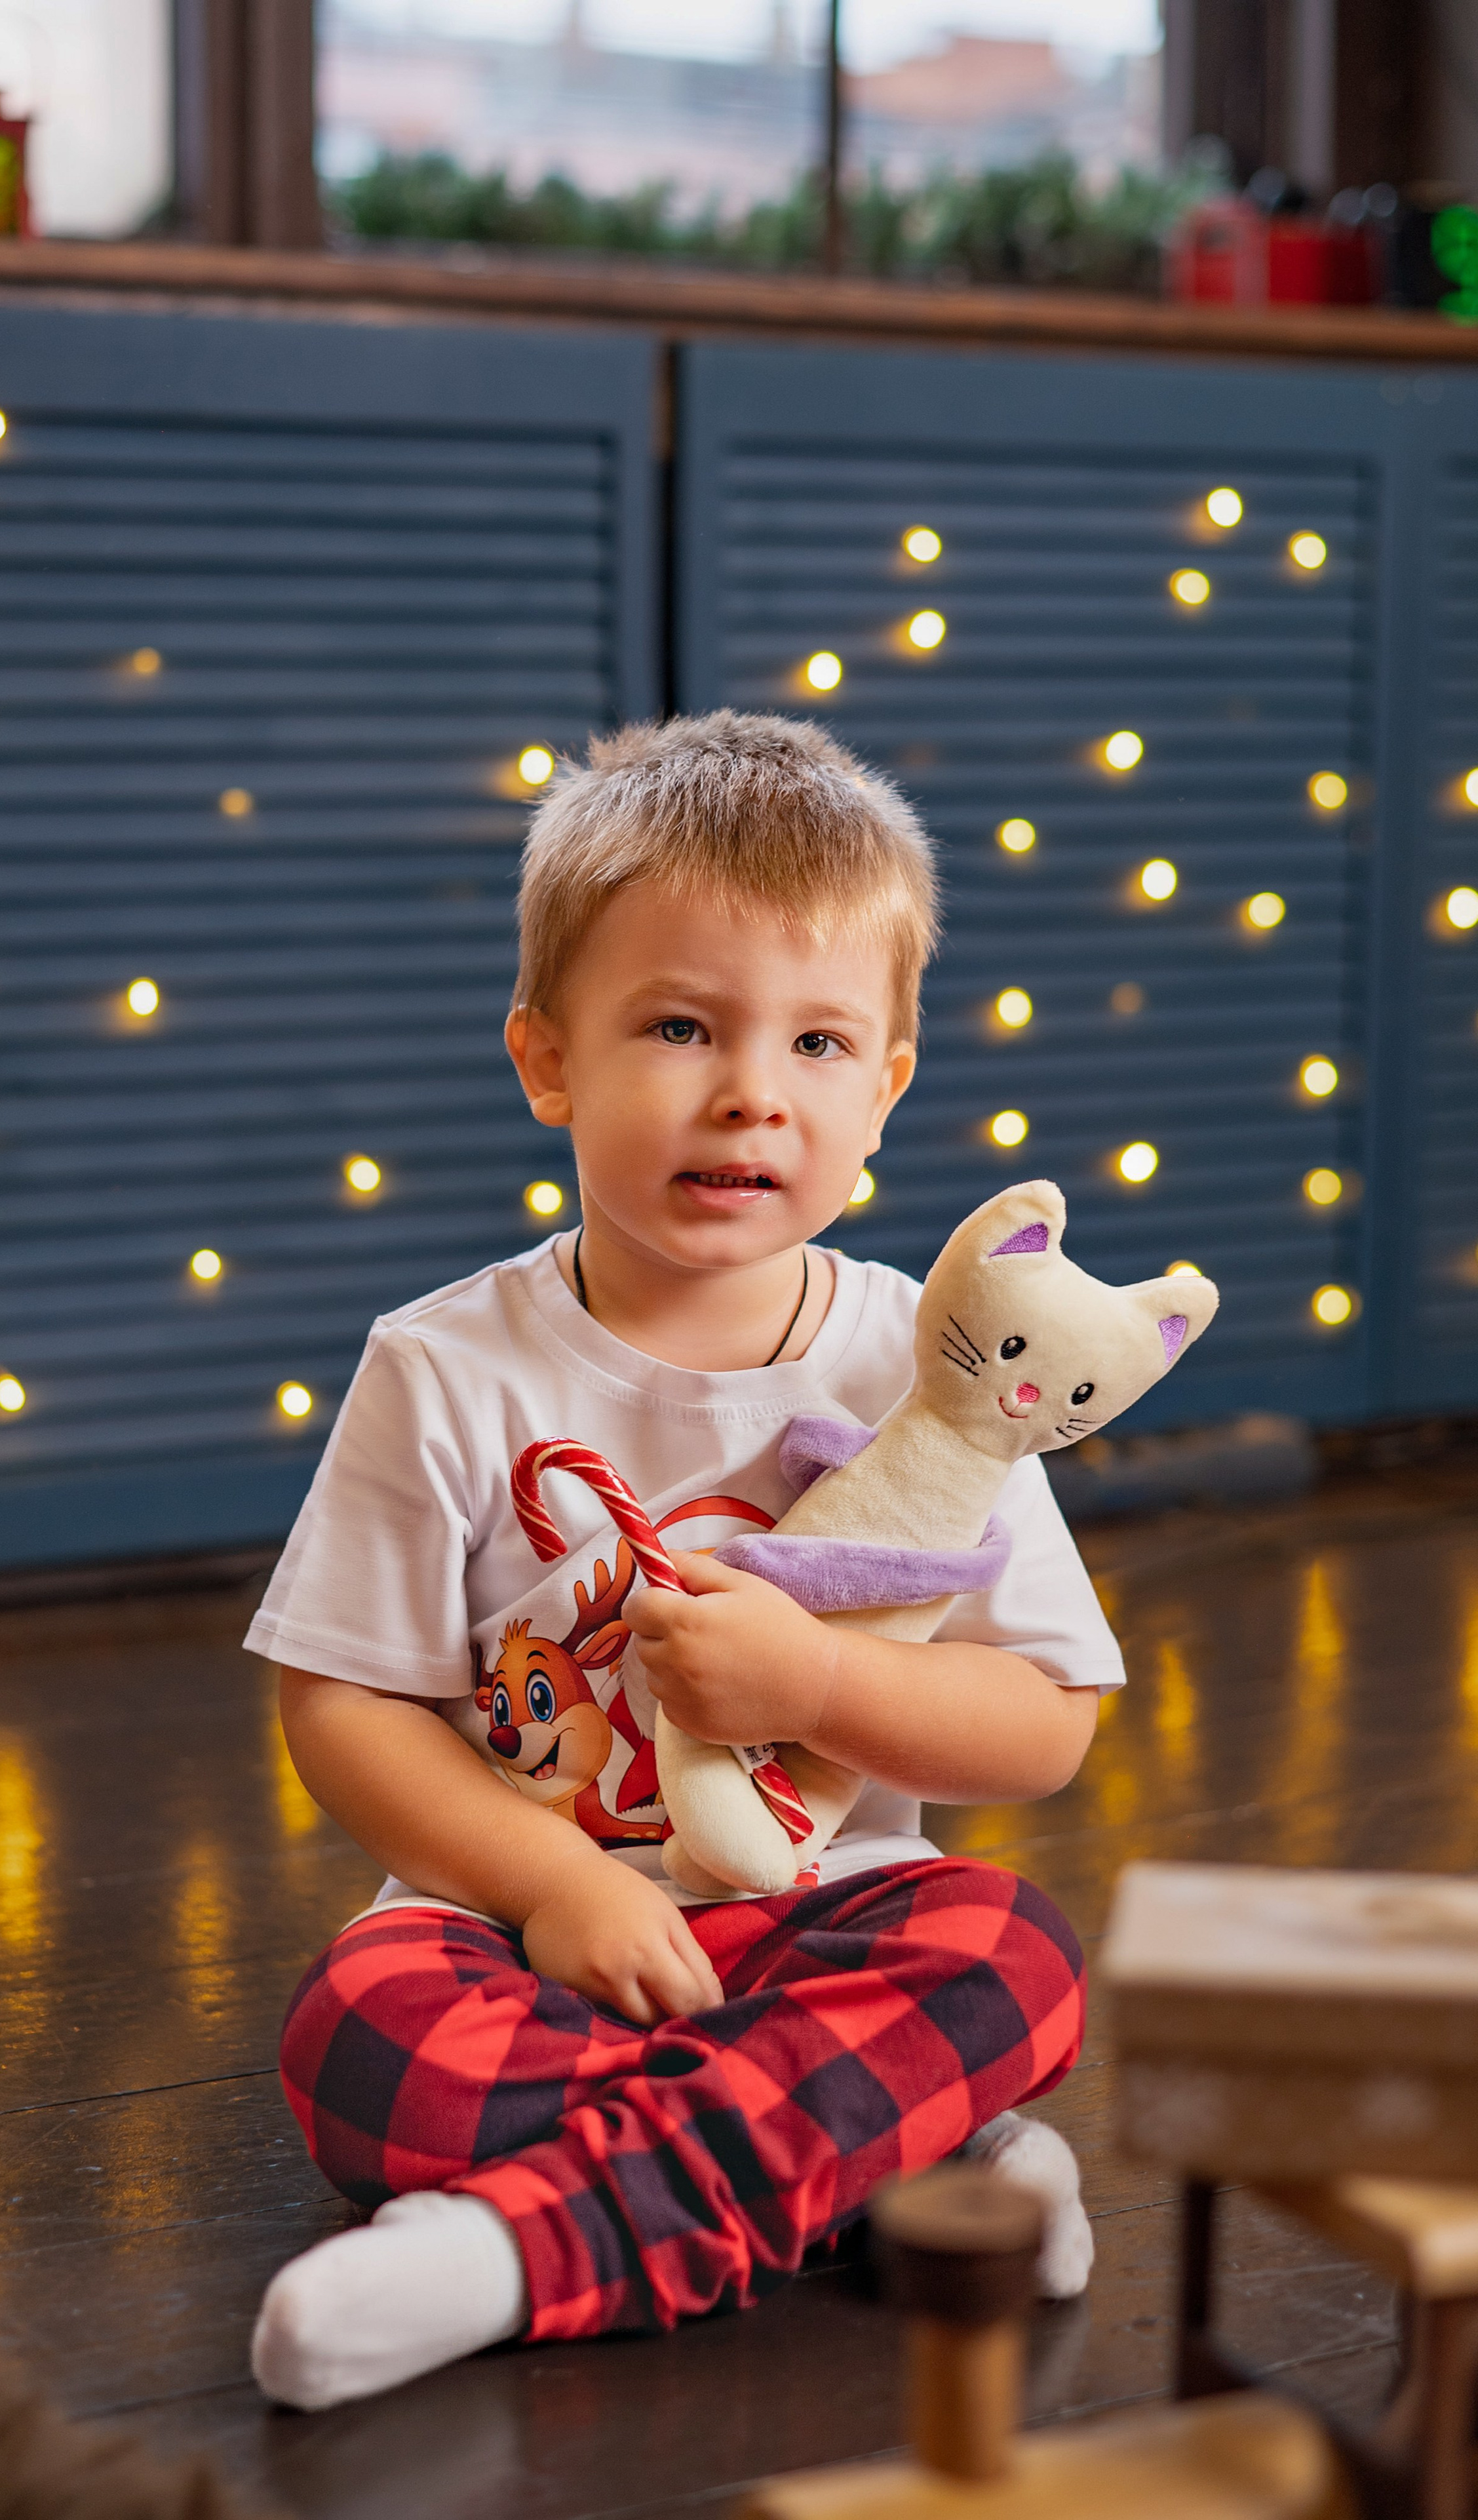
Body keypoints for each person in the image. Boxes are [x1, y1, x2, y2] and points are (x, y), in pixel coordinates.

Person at [245, 711, 1121, 2411]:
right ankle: (877, 2147)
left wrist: (825, 1683)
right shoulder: (446, 1367)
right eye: (678, 1025)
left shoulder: (922, 1369)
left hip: (819, 1903)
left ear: (886, 1085)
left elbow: (1045, 1721)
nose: (749, 1091)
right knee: (361, 2043)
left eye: (814, 1042)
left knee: (1011, 1949)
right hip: (511, 1919)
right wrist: (558, 1883)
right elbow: (343, 1705)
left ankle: (507, 2255)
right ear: (548, 1060)